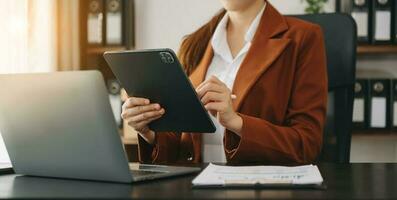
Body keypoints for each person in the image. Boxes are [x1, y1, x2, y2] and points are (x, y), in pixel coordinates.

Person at [121, 0, 327, 165]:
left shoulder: (304, 38)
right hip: (194, 186)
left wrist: (236, 122)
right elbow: (181, 149)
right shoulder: (194, 44)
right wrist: (149, 132)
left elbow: (307, 145)